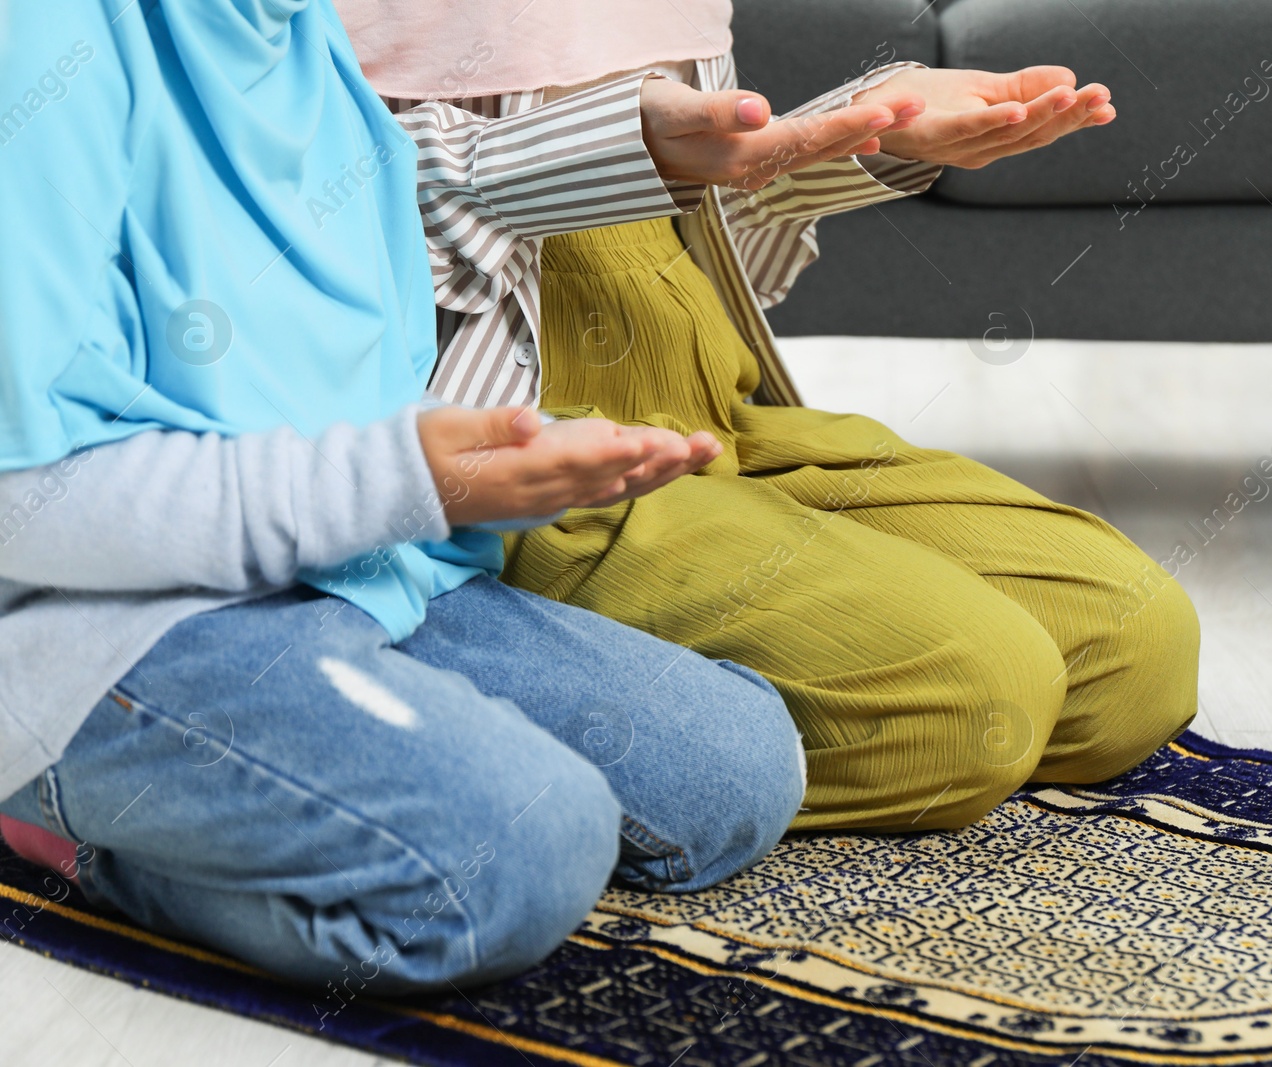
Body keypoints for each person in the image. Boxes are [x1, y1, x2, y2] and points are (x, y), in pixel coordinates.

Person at [0, 0, 805, 991]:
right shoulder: (39, 42)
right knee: (519, 854)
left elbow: (331, 391)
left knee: (733, 766)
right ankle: (67, 830)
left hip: (344, 576)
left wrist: (507, 467)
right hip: (102, 627)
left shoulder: (299, 38)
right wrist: (408, 478)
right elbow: (24, 494)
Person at [337, 0, 1201, 833]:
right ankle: (400, 726)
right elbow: (288, 209)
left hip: (715, 413)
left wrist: (861, 132)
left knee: (1134, 653)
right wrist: (614, 147)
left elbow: (709, 228)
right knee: (972, 704)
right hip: (510, 446)